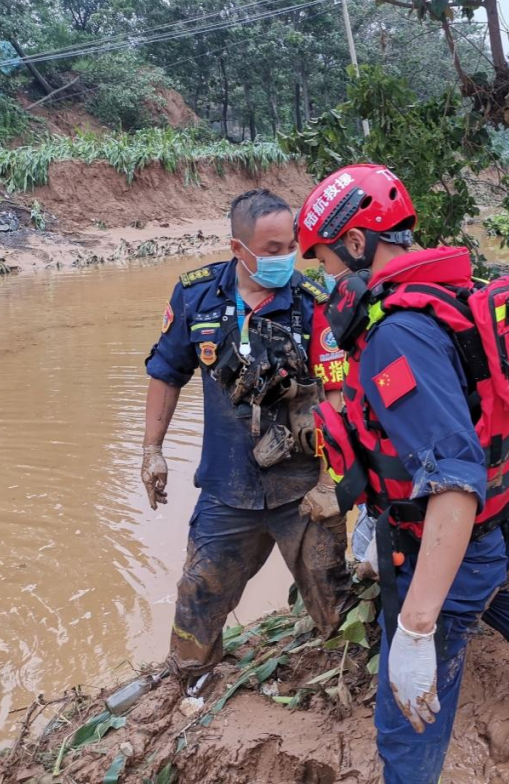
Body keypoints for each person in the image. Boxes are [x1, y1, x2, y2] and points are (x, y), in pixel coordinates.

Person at [298, 164, 509, 783]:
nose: (326, 279)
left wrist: (413, 629)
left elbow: (454, 482)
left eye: (327, 261)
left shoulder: (396, 336)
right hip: (499, 529)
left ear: (357, 244)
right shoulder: (449, 294)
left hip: (443, 554)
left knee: (406, 724)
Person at [141, 188, 352, 689]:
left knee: (331, 589)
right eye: (273, 249)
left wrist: (330, 482)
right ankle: (188, 679)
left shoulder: (313, 304)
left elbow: (338, 395)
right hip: (226, 487)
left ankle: (349, 672)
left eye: (291, 246)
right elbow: (167, 372)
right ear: (239, 249)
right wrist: (152, 450)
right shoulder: (196, 295)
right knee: (200, 591)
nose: (287, 259)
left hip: (302, 489)